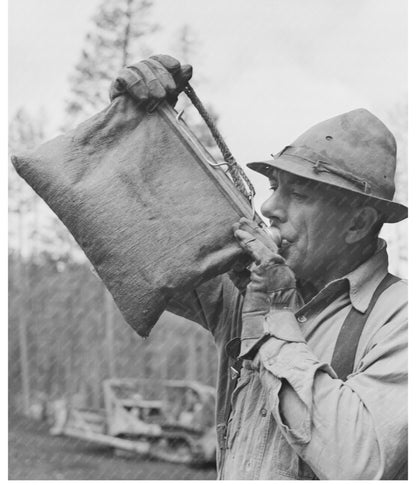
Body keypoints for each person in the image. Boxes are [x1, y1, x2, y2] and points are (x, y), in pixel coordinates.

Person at [110, 55, 408, 480]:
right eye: (274, 187)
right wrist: (136, 128)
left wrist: (273, 319)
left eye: (300, 194)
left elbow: (360, 461)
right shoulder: (247, 287)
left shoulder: (400, 319)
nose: (269, 208)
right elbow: (140, 241)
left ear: (358, 222)